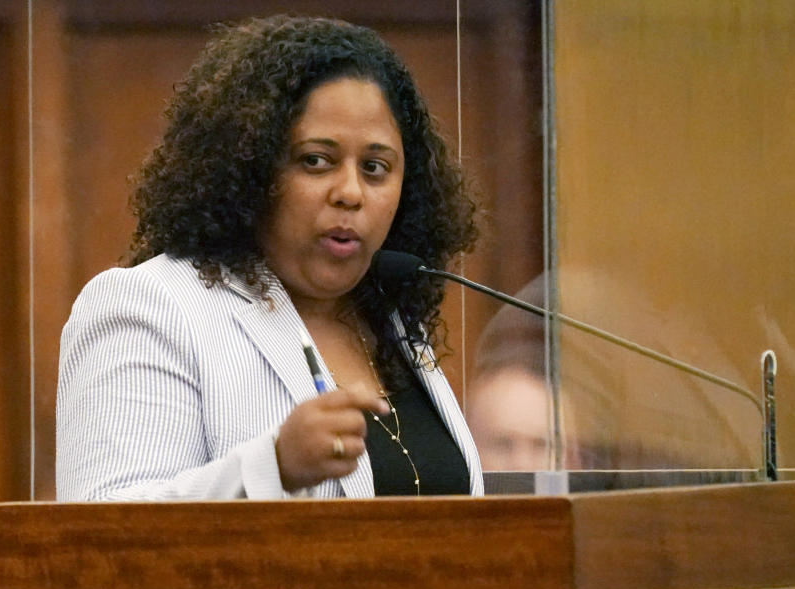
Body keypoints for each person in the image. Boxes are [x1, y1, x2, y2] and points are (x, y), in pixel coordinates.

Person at [56, 15, 484, 500]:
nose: (350, 192)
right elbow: (100, 529)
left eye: (375, 168)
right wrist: (272, 467)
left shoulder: (390, 321)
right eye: (315, 161)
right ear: (248, 168)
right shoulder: (152, 306)